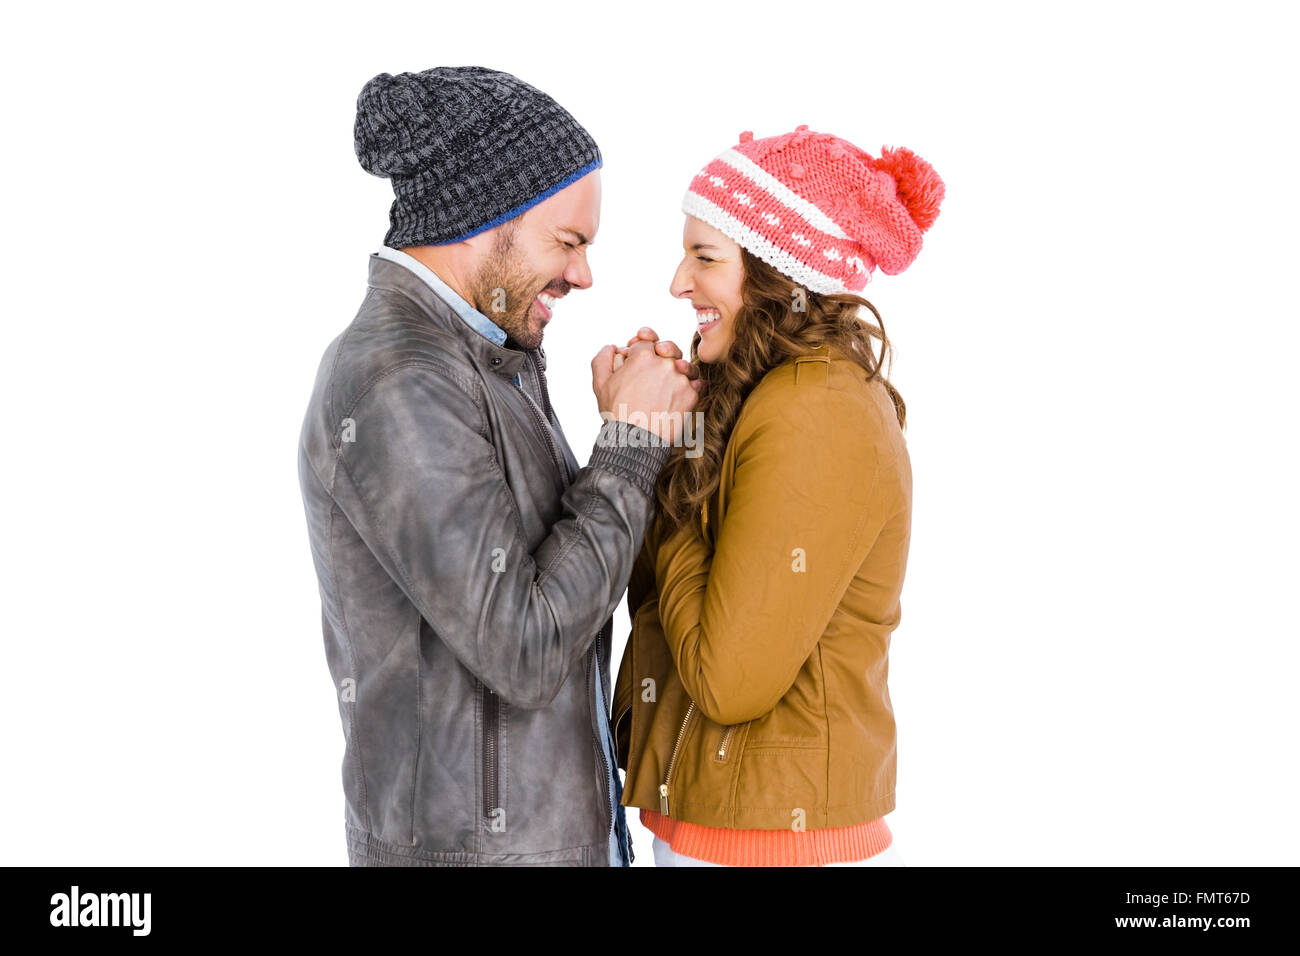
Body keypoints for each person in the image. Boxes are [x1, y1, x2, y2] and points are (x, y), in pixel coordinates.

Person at [297, 66, 700, 866]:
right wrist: (630, 442)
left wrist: (629, 434)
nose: (584, 273)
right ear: (486, 218)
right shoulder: (401, 382)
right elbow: (523, 648)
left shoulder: (480, 353)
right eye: (569, 241)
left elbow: (544, 585)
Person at [613, 125, 945, 866]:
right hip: (726, 828)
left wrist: (661, 451)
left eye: (705, 257)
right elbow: (659, 606)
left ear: (776, 274)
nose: (677, 282)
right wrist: (666, 433)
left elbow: (725, 681)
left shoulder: (815, 411)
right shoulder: (766, 396)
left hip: (767, 846)